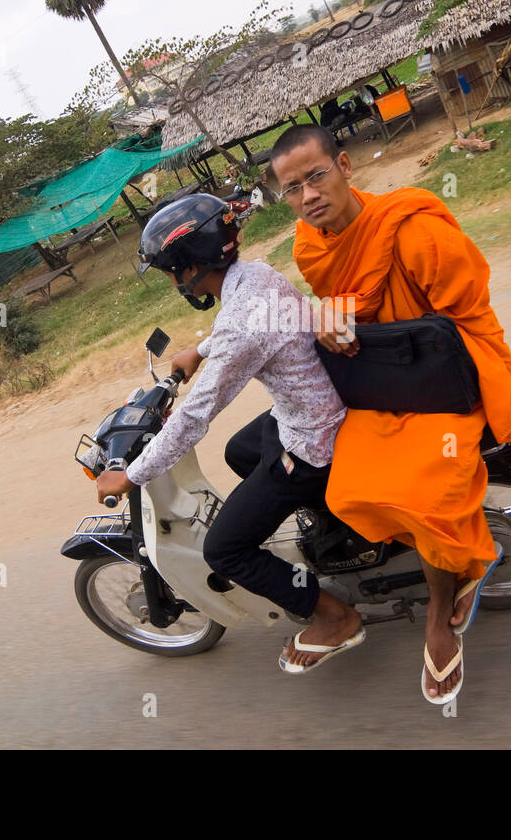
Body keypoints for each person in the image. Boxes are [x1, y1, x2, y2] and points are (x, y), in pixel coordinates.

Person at [268, 125, 511, 704]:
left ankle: (440, 612)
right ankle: (434, 566)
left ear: (345, 165)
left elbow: (476, 317)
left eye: (316, 176)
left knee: (422, 490)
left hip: (448, 384)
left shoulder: (413, 228)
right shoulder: (308, 245)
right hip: (382, 384)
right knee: (349, 487)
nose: (308, 197)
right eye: (292, 188)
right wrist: (328, 317)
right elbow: (354, 303)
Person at [93, 193, 365, 673]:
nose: (174, 282)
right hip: (312, 409)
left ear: (191, 266)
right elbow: (241, 319)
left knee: (224, 550)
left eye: (171, 272)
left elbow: (196, 416)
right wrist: (199, 350)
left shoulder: (241, 327)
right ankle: (336, 525)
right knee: (242, 451)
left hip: (313, 437)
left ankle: (333, 616)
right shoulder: (253, 274)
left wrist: (133, 475)